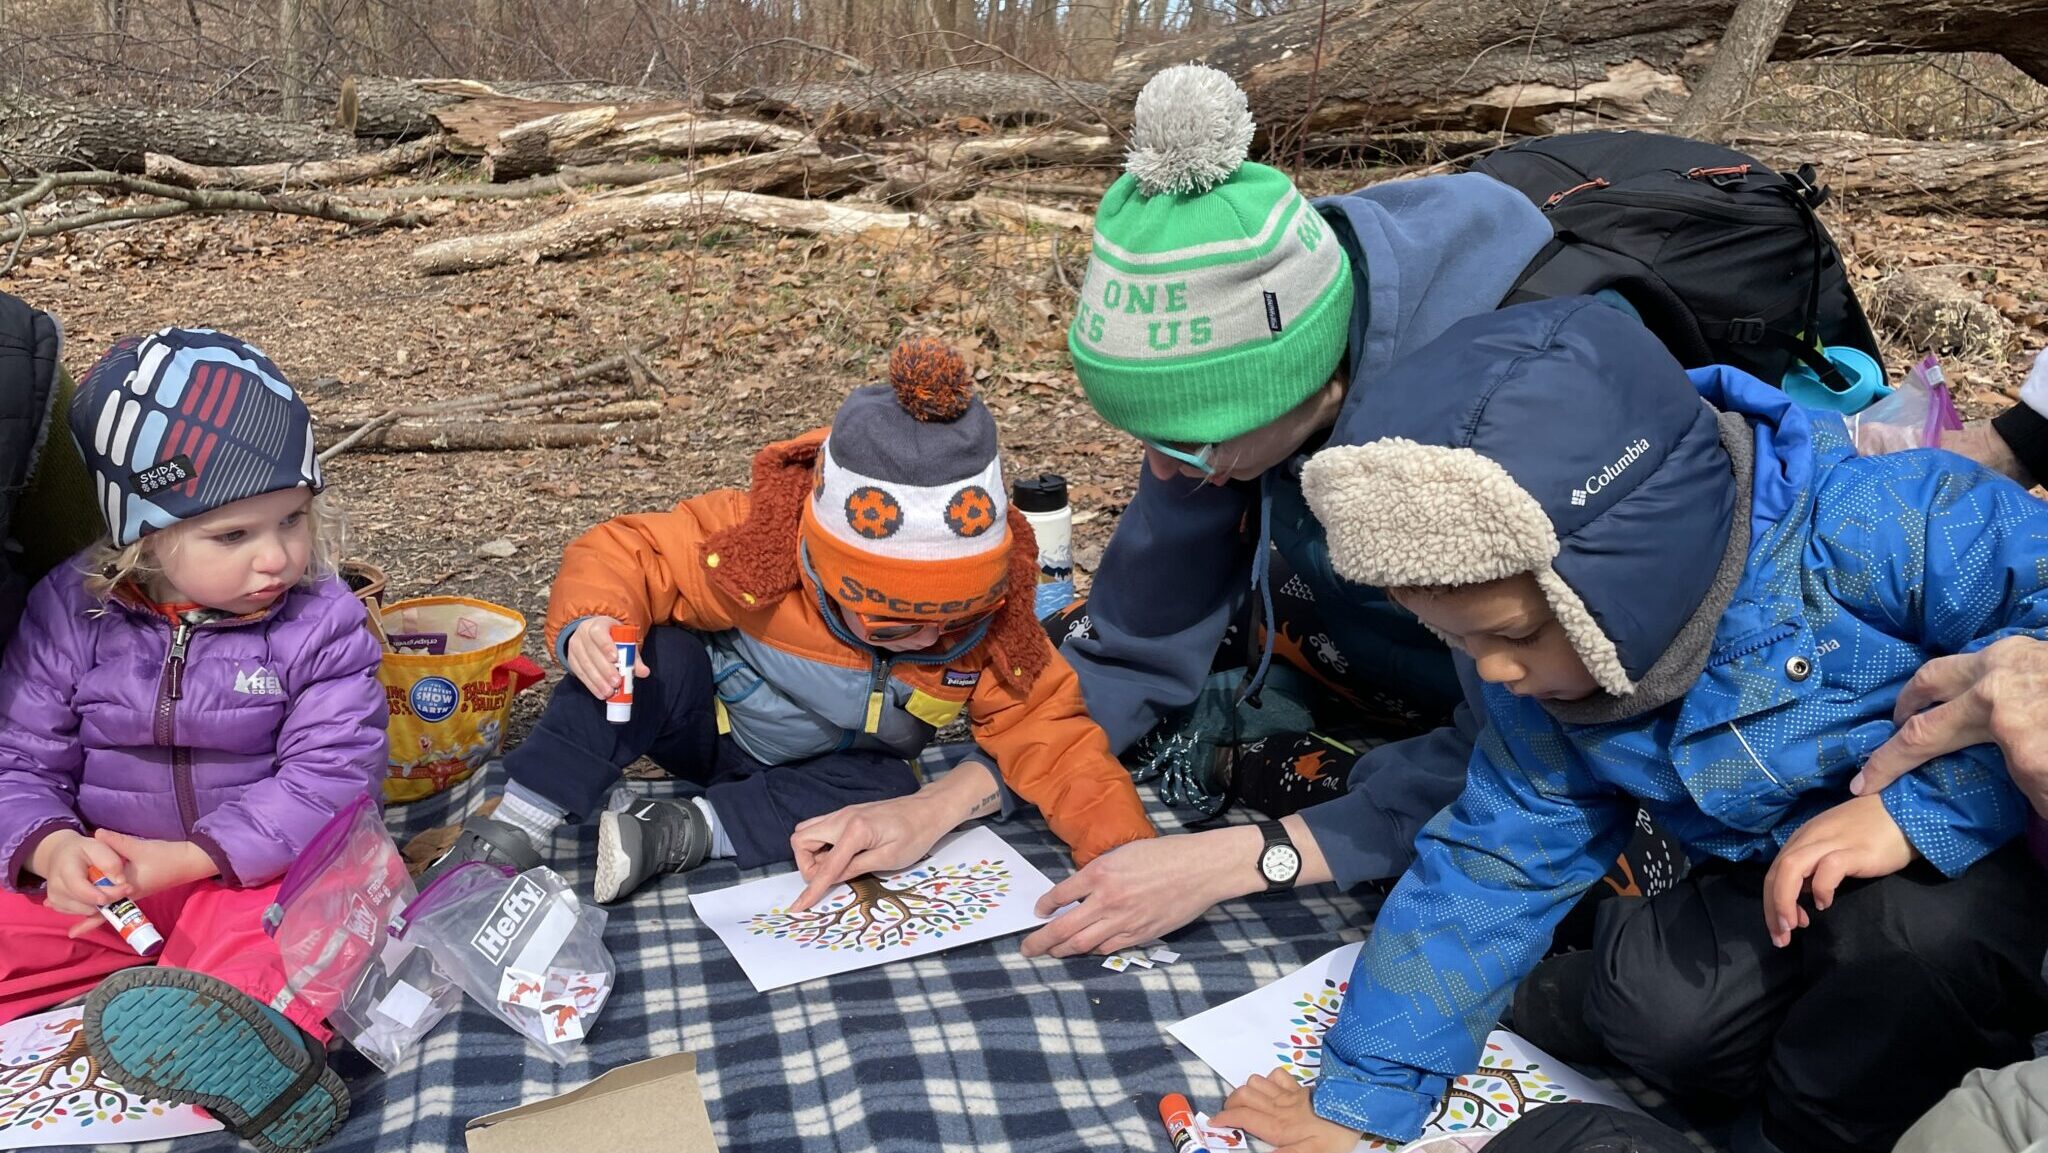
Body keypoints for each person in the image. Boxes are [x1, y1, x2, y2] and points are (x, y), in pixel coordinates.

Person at [1209, 298, 2048, 1153]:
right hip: (1764, 878)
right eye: (1458, 641)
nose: (1492, 671)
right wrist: (1362, 1097)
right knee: (1660, 1016)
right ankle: (1630, 998)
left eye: (1513, 635)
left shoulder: (1883, 523)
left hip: (1972, 868)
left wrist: (1917, 811)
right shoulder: (1554, 677)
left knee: (1908, 957)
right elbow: (1494, 859)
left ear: (1627, 573)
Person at [431, 338, 1154, 904]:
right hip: (707, 719)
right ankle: (518, 822)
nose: (931, 641)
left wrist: (1125, 852)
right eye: (898, 627)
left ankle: (683, 832)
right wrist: (594, 622)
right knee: (644, 655)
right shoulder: (759, 545)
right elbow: (635, 548)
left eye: (951, 620)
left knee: (892, 788)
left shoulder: (996, 624)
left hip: (822, 772)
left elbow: (1054, 738)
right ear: (825, 570)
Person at [0, 329, 387, 1153]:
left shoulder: (321, 623)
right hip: (111, 885)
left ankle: (267, 1064)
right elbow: (18, 757)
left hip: (256, 872)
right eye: (233, 536)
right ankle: (164, 997)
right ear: (144, 539)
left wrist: (194, 857)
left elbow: (331, 775)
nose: (277, 556)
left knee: (294, 937)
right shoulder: (70, 612)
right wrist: (50, 849)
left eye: (292, 517)